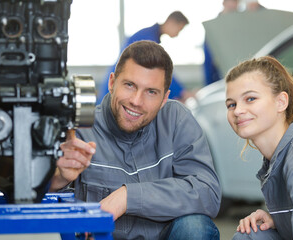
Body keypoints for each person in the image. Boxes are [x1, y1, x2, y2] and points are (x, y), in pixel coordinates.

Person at [50, 40, 221, 240]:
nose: (136, 101)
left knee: (196, 227)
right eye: (130, 85)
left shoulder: (176, 120)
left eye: (151, 92)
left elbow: (207, 192)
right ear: (112, 83)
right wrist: (58, 177)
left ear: (164, 98)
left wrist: (128, 197)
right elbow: (38, 196)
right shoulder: (80, 129)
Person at [224, 56, 293, 239]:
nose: (237, 111)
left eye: (250, 99)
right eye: (231, 104)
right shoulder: (280, 155)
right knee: (250, 236)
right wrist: (280, 219)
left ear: (281, 102)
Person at [97, 11, 192, 104]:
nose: (177, 34)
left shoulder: (150, 35)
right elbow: (160, 73)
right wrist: (182, 93)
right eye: (179, 29)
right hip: (119, 89)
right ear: (171, 22)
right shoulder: (148, 39)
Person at [203, 0, 239, 86]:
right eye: (231, 2)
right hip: (216, 74)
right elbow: (208, 60)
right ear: (224, 3)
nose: (234, 5)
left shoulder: (238, 25)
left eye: (236, 2)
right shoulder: (213, 27)